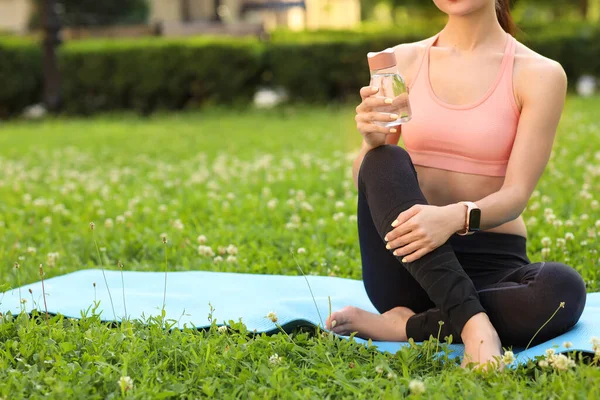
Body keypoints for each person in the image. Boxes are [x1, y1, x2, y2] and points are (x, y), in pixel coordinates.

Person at [325, 0, 587, 368]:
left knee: (563, 289)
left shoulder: (540, 74)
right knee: (385, 158)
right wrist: (371, 144)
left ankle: (407, 327)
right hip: (409, 261)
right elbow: (371, 180)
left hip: (493, 265)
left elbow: (515, 197)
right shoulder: (401, 61)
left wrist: (451, 218)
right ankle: (476, 327)